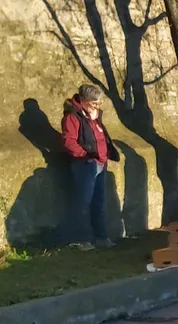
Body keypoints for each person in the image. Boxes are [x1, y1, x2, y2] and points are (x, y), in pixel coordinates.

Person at [60, 84, 121, 251]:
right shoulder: (72, 117)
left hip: (100, 163)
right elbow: (69, 141)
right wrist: (85, 156)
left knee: (98, 202)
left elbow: (99, 138)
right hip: (85, 164)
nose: (97, 106)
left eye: (99, 103)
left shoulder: (94, 116)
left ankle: (101, 237)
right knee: (83, 203)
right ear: (83, 100)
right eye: (94, 103)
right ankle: (82, 240)